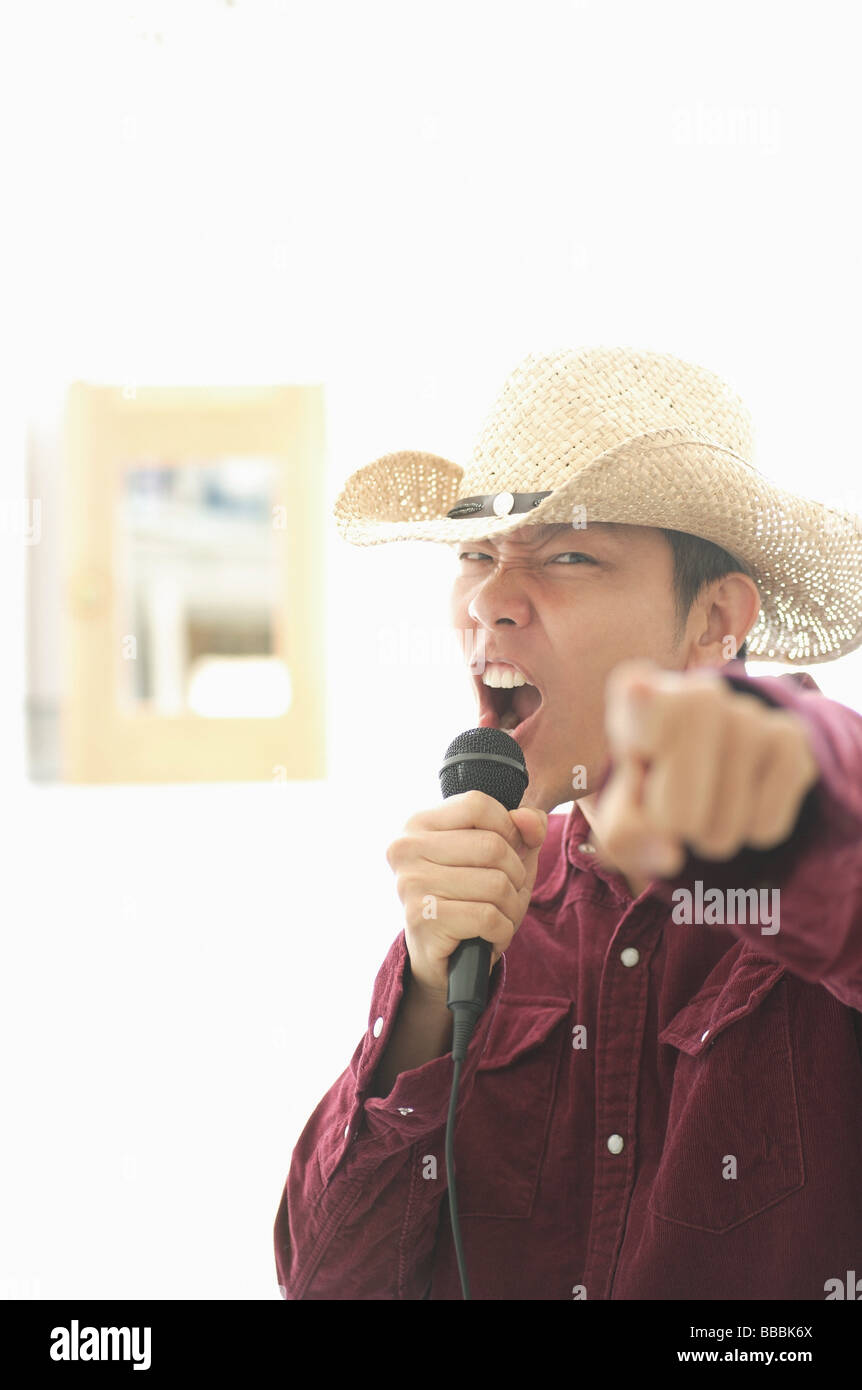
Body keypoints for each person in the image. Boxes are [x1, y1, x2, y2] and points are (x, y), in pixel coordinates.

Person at [274, 346, 862, 1299]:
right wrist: (425, 1000)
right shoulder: (480, 900)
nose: (490, 604)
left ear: (716, 619)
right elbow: (329, 1284)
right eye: (476, 554)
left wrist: (777, 786)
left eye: (569, 555)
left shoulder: (817, 827)